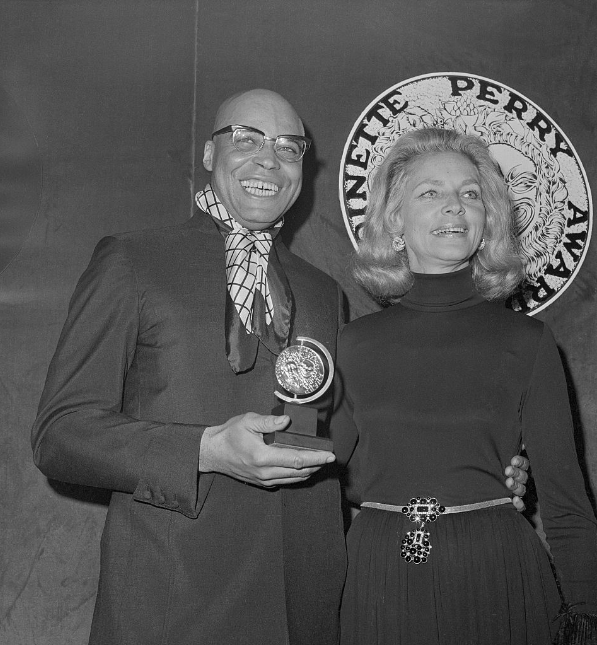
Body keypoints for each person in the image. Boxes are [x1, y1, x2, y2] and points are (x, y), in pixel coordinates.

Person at [31, 93, 529, 645]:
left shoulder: (323, 292)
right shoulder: (132, 262)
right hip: (172, 601)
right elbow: (61, 435)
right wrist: (205, 449)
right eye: (246, 139)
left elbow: (340, 452)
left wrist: (473, 464)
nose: (269, 160)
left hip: (305, 604)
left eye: (288, 147)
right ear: (207, 152)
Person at [331, 127, 597, 645]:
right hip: (379, 580)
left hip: (501, 578)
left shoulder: (529, 341)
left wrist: (586, 615)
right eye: (430, 192)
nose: (454, 207)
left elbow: (567, 504)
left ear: (487, 222)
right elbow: (319, 479)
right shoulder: (350, 344)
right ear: (394, 219)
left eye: (470, 195)